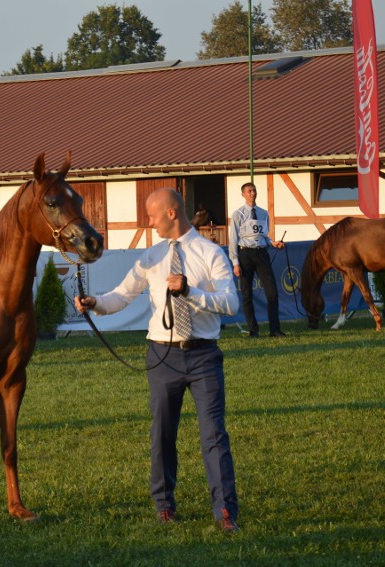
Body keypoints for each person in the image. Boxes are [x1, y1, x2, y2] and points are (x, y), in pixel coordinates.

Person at [74, 188, 241, 534]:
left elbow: (231, 303)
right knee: (162, 434)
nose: (148, 222)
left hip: (204, 356)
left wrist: (189, 292)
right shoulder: (150, 257)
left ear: (170, 213)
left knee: (214, 436)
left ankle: (225, 511)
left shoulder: (210, 253)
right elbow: (121, 295)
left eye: (151, 215)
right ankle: (164, 506)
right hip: (162, 356)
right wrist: (95, 303)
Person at [228, 182, 286, 338]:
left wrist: (273, 243)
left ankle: (275, 329)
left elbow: (264, 236)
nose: (252, 193)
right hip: (245, 254)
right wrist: (235, 263)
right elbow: (233, 239)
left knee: (272, 292)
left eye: (254, 190)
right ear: (243, 194)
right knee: (247, 295)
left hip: (261, 254)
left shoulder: (263, 213)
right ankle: (254, 330)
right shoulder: (237, 215)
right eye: (249, 191)